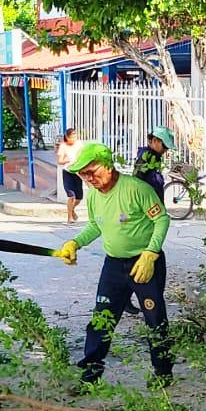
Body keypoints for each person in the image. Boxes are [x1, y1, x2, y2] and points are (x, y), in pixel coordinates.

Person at [52, 142, 173, 386]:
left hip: (144, 263)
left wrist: (151, 252)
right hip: (114, 266)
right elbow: (95, 225)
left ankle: (163, 372)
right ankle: (91, 374)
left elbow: (161, 219)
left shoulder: (136, 189)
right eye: (83, 175)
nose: (89, 179)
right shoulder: (94, 196)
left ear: (107, 166)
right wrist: (75, 243)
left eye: (92, 172)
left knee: (155, 319)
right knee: (101, 319)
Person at [134, 126, 175, 194]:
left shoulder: (155, 156)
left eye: (167, 148)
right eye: (164, 146)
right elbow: (138, 180)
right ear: (154, 140)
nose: (165, 150)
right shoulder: (146, 156)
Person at [56, 128, 83, 223]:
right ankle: (69, 217)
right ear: (67, 137)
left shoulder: (79, 144)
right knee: (71, 195)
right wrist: (67, 160)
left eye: (75, 137)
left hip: (78, 172)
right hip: (68, 172)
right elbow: (60, 161)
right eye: (71, 137)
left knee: (79, 198)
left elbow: (83, 155)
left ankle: (72, 210)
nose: (73, 139)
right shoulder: (63, 146)